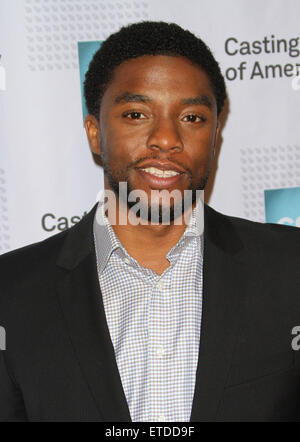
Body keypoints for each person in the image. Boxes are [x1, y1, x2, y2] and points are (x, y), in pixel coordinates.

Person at [0, 21, 300, 423]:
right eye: (137, 114)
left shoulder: (290, 268)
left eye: (192, 117)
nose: (165, 137)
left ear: (215, 138)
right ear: (95, 133)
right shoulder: (12, 292)